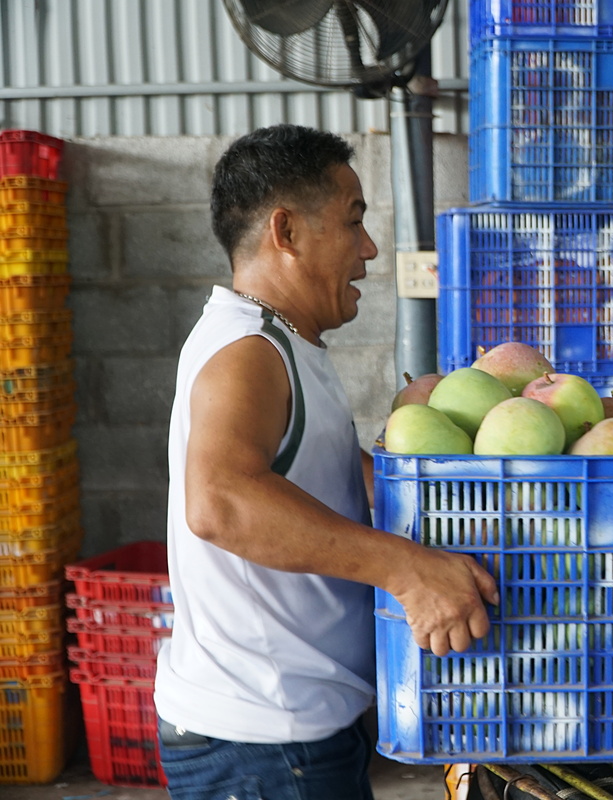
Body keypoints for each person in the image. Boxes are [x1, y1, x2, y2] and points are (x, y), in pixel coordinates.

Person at [153, 124, 499, 799]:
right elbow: (219, 502)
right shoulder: (248, 348)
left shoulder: (282, 342)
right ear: (286, 231)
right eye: (353, 221)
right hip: (262, 742)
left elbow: (321, 480)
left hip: (296, 735)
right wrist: (407, 568)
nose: (368, 249)